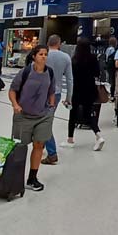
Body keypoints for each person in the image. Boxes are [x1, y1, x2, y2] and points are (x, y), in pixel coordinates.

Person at [9, 45, 56, 192]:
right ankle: (14, 178)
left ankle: (32, 178)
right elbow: (12, 90)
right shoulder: (26, 72)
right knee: (19, 147)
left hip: (43, 116)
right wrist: (15, 105)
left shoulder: (50, 72)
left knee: (39, 145)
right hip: (23, 115)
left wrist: (51, 107)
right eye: (41, 54)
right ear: (34, 56)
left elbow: (52, 91)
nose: (44, 57)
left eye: (46, 54)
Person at [62, 38, 105, 151]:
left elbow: (70, 77)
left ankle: (70, 139)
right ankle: (98, 135)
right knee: (88, 114)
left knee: (73, 114)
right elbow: (97, 73)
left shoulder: (74, 59)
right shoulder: (93, 58)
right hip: (90, 90)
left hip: (77, 89)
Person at [41, 35, 73, 166]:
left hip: (41, 92)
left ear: (48, 43)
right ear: (59, 44)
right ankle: (41, 143)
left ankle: (52, 153)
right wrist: (69, 97)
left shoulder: (42, 54)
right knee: (45, 120)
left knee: (43, 122)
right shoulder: (65, 57)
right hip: (57, 93)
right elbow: (70, 80)